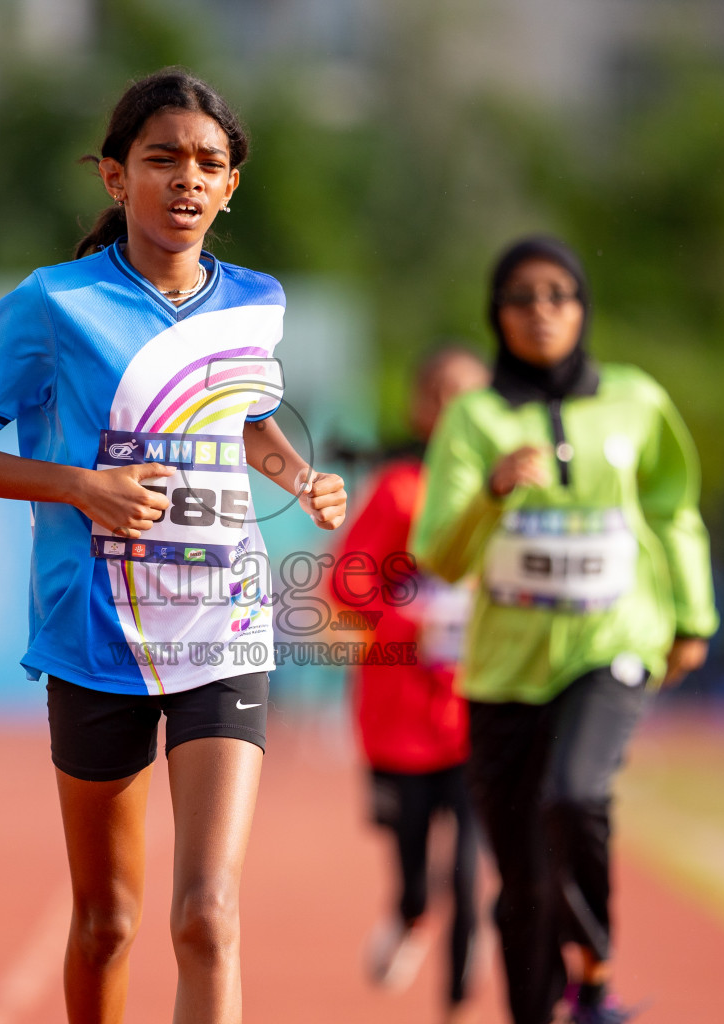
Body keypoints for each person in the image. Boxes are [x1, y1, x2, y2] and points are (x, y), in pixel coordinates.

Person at [0, 68, 347, 1024]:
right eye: (162, 160)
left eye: (209, 163)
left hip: (224, 625)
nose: (186, 180)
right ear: (115, 178)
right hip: (97, 635)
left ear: (232, 186)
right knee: (108, 919)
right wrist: (80, 486)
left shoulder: (257, 301)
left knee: (207, 915)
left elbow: (243, 420)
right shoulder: (53, 304)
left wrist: (296, 476)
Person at [410, 236, 717, 1024]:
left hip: (613, 639)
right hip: (505, 670)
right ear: (496, 313)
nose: (541, 311)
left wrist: (691, 615)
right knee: (522, 886)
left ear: (582, 307)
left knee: (575, 795)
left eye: (559, 294)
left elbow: (671, 511)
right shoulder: (474, 418)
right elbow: (438, 554)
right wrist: (491, 488)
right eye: (522, 296)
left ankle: (595, 973)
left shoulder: (637, 401)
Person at [331, 347, 489, 1023]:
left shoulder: (508, 498)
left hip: (482, 711)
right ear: (421, 408)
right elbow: (347, 583)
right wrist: (411, 622)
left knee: (471, 873)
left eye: (472, 395)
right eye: (444, 394)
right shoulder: (399, 491)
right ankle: (409, 913)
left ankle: (456, 1002)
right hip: (400, 717)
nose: (457, 408)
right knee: (421, 877)